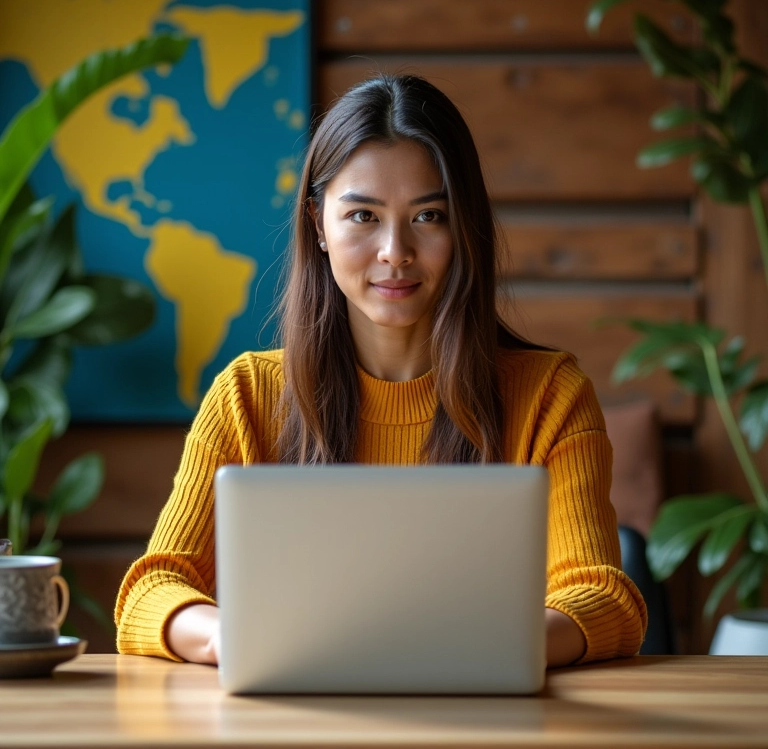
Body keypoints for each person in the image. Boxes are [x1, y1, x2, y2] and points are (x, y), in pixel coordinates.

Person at [115, 73, 647, 668]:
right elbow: (152, 589)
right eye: (363, 215)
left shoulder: (551, 395)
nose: (395, 250)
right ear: (318, 225)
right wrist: (230, 638)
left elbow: (601, 595)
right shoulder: (246, 395)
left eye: (428, 216)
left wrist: (479, 649)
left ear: (464, 226)